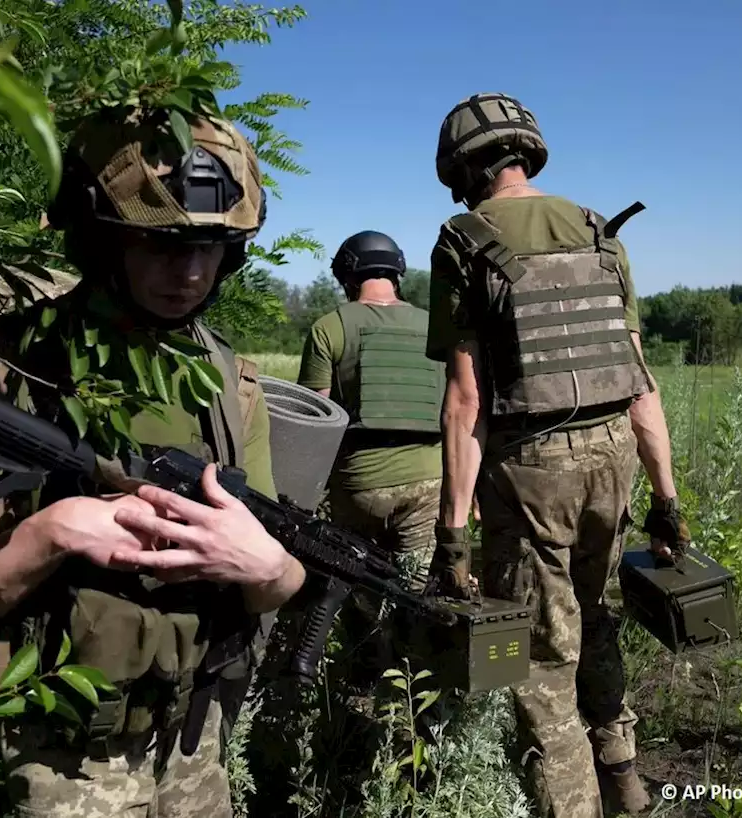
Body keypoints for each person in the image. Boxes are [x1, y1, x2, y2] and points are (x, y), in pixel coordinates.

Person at [0, 107, 308, 818]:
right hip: (55, 758)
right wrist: (51, 532)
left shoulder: (228, 382)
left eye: (210, 250)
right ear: (104, 240)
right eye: (161, 245)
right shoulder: (13, 365)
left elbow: (280, 576)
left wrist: (268, 568)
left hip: (192, 748)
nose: (188, 274)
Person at [422, 92, 691, 818]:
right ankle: (624, 777)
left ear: (461, 167)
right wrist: (666, 500)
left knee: (539, 660)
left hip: (532, 466)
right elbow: (642, 385)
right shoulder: (600, 233)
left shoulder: (462, 238)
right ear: (526, 149)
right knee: (595, 613)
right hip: (614, 457)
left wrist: (452, 537)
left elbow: (464, 404)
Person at [296, 231, 446, 669]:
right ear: (396, 272)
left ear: (348, 273)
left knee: (357, 583)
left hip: (358, 485)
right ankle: (408, 691)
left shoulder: (331, 326)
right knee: (416, 592)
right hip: (428, 483)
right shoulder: (433, 325)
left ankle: (361, 679)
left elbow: (313, 420)